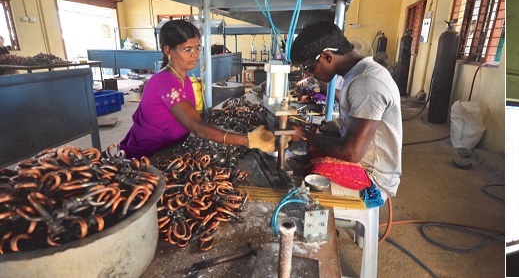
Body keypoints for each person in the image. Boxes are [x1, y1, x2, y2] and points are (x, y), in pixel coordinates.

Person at [120, 19, 275, 158]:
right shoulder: (165, 82)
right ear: (168, 50)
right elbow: (197, 127)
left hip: (171, 149)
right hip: (149, 157)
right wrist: (248, 140)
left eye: (197, 48)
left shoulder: (184, 79)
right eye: (187, 49)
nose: (195, 55)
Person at [289, 20, 403, 197]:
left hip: (373, 176)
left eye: (310, 68)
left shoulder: (367, 81)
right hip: (365, 159)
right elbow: (357, 112)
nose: (310, 74)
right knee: (311, 151)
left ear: (327, 56)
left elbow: (352, 153)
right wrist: (337, 125)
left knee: (313, 172)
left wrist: (304, 134)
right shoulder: (357, 73)